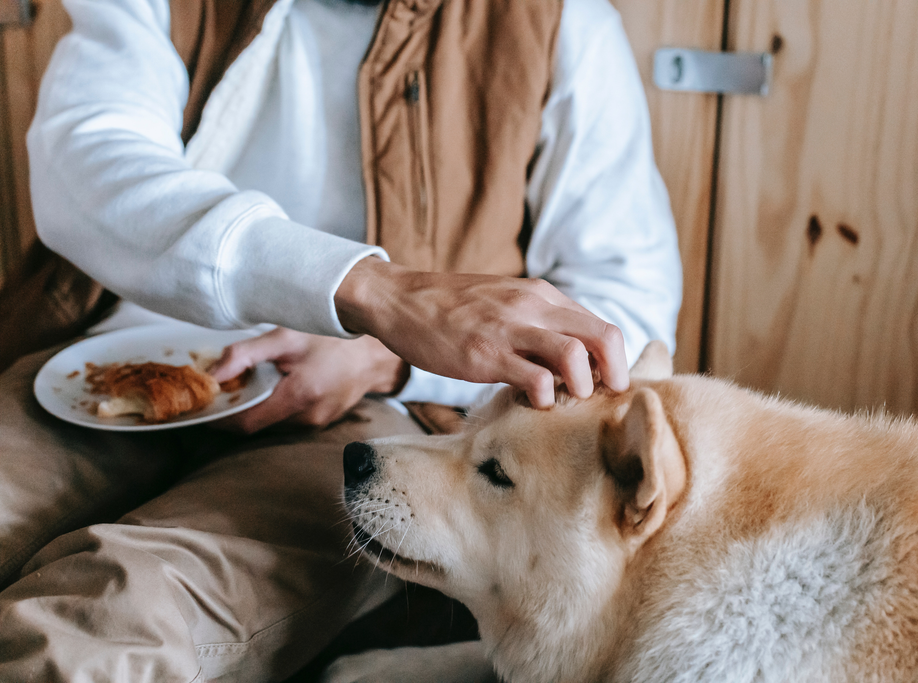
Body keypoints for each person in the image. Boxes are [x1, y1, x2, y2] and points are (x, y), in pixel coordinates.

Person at [0, 0, 682, 679]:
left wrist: (387, 355)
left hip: (369, 415)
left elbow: (627, 315)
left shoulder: (561, 22)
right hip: (110, 366)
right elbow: (84, 158)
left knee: (106, 620)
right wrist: (371, 292)